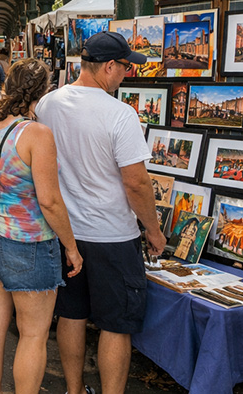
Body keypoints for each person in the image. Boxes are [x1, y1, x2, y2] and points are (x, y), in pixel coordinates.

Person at [34, 31, 166, 394]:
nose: (127, 74)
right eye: (125, 67)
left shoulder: (48, 104)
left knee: (72, 315)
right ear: (108, 66)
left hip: (65, 233)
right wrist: (153, 231)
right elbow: (136, 183)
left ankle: (73, 390)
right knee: (116, 324)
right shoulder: (121, 114)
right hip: (112, 234)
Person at [0, 58, 82, 394]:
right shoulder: (36, 134)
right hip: (28, 243)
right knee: (33, 334)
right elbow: (50, 201)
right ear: (41, 91)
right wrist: (71, 246)